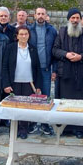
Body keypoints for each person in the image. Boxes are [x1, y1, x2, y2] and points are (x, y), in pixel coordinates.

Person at [52, 8, 83, 139]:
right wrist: (66, 54)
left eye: (77, 18)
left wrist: (80, 57)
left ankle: (79, 129)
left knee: (80, 103)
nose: (75, 20)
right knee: (65, 102)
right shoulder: (62, 32)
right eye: (73, 18)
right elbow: (55, 50)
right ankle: (65, 128)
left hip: (81, 74)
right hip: (65, 73)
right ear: (68, 19)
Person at [1, 26, 40, 139]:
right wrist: (6, 84)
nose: (23, 36)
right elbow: (5, 67)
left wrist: (38, 86)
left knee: (25, 107)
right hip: (14, 83)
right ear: (17, 36)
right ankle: (14, 129)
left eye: (26, 34)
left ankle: (23, 129)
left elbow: (37, 68)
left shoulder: (33, 49)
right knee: (14, 107)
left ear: (29, 36)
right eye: (21, 34)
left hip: (29, 83)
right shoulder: (10, 48)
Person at [29, 7, 57, 135]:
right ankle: (32, 123)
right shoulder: (29, 30)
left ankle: (45, 124)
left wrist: (54, 70)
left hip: (46, 69)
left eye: (43, 14)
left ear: (46, 16)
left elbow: (55, 51)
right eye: (38, 13)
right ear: (34, 15)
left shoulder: (52, 30)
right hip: (32, 69)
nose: (40, 16)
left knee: (45, 96)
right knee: (32, 97)